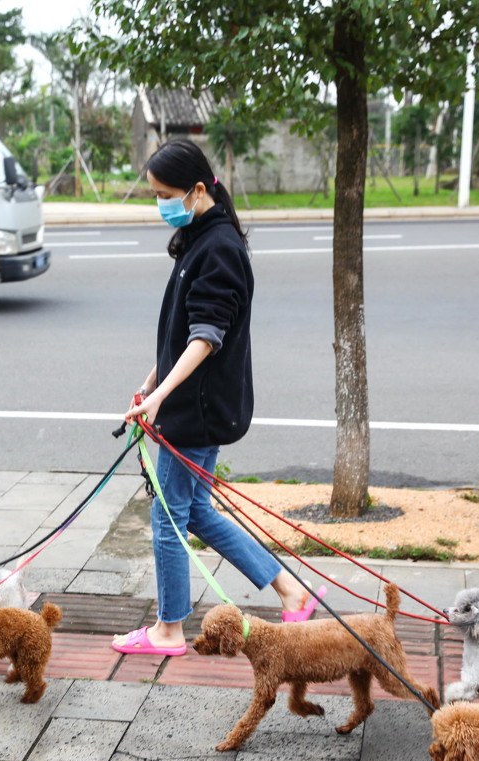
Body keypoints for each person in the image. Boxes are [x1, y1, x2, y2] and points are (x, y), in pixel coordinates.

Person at [112, 139, 320, 657]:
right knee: (195, 510)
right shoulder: (200, 237)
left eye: (164, 194)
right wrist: (150, 381)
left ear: (197, 190)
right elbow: (184, 333)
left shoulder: (219, 247)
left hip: (198, 411)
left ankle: (169, 629)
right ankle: (291, 589)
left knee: (168, 516)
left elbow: (206, 337)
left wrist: (160, 395)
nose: (159, 203)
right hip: (195, 403)